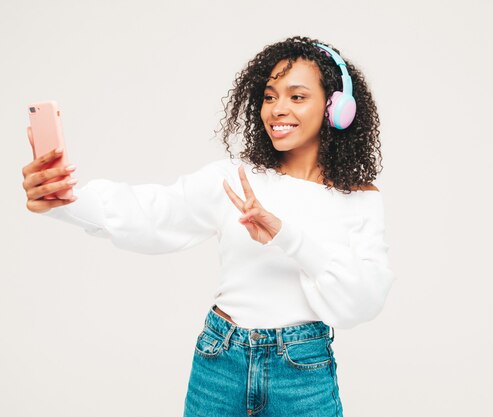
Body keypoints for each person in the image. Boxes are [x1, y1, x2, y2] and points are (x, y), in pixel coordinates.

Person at [21, 35, 395, 417]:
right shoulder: (236, 178)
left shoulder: (359, 200)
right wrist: (64, 199)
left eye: (297, 97)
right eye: (269, 96)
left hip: (302, 373)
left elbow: (362, 303)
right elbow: (153, 213)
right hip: (221, 361)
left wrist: (287, 236)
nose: (277, 109)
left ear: (336, 108)